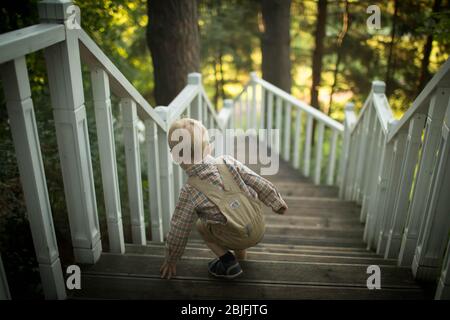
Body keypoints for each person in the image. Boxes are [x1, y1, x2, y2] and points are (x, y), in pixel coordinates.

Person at [160, 118, 288, 280]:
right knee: (237, 215)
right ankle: (241, 258)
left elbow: (179, 229)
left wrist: (171, 259)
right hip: (258, 226)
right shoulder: (227, 161)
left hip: (234, 236)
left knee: (201, 225)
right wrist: (276, 202)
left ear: (176, 157)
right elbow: (256, 180)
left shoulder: (189, 191)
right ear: (208, 148)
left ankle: (228, 262)